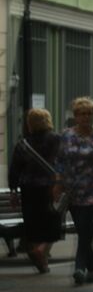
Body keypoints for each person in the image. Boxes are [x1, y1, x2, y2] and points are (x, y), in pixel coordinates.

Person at [54, 98, 93, 284]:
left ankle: (79, 267)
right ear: (75, 116)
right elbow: (59, 162)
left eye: (89, 113)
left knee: (85, 225)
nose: (86, 117)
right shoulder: (65, 136)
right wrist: (57, 184)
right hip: (73, 191)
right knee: (86, 229)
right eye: (82, 113)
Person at [8, 108, 64, 273]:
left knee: (32, 225)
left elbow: (14, 170)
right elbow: (64, 162)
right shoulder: (57, 140)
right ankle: (42, 251)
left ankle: (41, 260)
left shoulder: (23, 144)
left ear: (29, 124)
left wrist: (13, 191)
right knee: (53, 221)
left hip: (28, 188)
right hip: (50, 187)